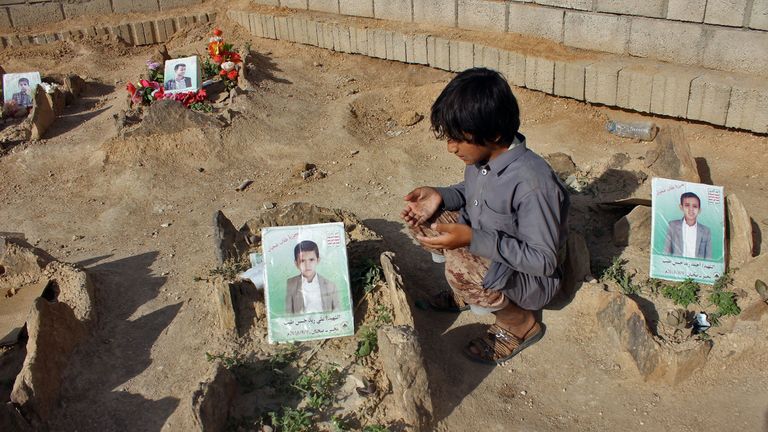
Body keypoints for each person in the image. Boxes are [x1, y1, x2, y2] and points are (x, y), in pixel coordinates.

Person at [401, 68, 570, 365]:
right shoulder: (485, 157)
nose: (451, 147)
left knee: (462, 265)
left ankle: (519, 324)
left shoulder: (533, 184)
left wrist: (472, 240)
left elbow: (543, 261)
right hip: (493, 249)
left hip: (530, 278)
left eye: (458, 139)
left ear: (492, 134)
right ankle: (467, 292)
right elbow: (473, 190)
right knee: (426, 218)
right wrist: (439, 195)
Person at [285, 240, 340, 314]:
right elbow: (288, 314)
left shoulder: (330, 285)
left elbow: (337, 311)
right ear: (296, 263)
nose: (307, 265)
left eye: (311, 260)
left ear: (318, 260)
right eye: (302, 261)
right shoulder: (291, 284)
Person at [663, 192, 712, 259]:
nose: (691, 209)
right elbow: (666, 252)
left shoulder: (706, 231)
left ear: (699, 210)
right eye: (687, 205)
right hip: (676, 267)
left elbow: (708, 257)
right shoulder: (672, 226)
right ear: (681, 207)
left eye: (695, 206)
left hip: (698, 268)